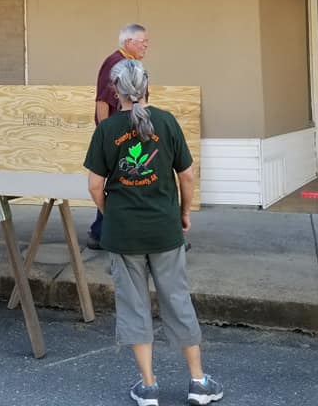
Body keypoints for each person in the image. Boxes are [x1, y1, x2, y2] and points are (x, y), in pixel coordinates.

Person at [84, 59, 223, 406]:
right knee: (177, 299)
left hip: (123, 234)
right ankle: (198, 382)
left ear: (116, 92)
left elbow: (95, 186)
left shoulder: (106, 130)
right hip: (164, 229)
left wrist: (109, 214)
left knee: (133, 306)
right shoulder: (167, 121)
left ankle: (148, 387)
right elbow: (187, 176)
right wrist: (184, 213)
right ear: (147, 87)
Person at [86, 23, 148, 249]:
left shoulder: (131, 64)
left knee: (125, 183)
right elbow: (103, 102)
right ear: (128, 42)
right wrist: (106, 136)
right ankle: (101, 233)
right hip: (118, 137)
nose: (146, 46)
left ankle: (101, 232)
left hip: (130, 134)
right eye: (143, 41)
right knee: (117, 184)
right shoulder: (114, 63)